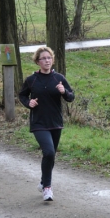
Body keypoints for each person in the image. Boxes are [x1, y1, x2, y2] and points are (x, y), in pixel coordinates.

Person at [19, 47, 75, 201]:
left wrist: (64, 92)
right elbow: (22, 95)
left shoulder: (59, 78)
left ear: (53, 60)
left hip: (55, 123)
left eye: (49, 58)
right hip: (39, 123)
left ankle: (44, 181)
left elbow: (71, 97)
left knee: (51, 156)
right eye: (43, 58)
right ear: (38, 61)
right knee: (49, 152)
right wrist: (28, 102)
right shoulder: (32, 80)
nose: (47, 61)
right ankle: (47, 188)